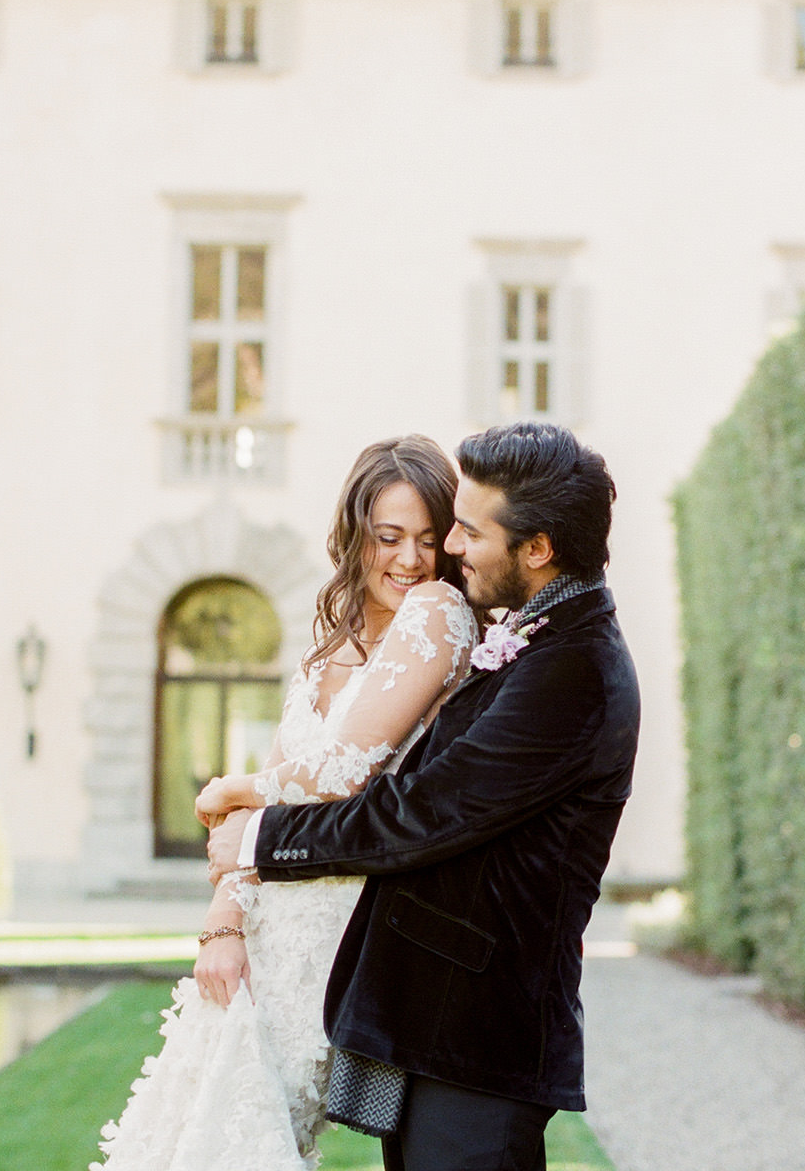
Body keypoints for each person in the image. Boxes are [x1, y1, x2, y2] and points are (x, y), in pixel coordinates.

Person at [209, 421, 641, 1171]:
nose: (450, 549)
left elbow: (423, 812)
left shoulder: (576, 671)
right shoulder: (538, 641)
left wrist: (258, 836)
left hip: (482, 1038)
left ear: (536, 549)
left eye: (468, 531)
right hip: (441, 1031)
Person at [91, 434, 479, 1171]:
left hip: (338, 936)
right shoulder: (325, 651)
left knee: (252, 1131)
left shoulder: (438, 613)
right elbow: (263, 811)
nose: (409, 559)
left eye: (429, 539)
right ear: (355, 536)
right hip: (267, 927)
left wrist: (237, 788)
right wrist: (223, 922)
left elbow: (347, 767)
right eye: (388, 537)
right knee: (190, 1125)